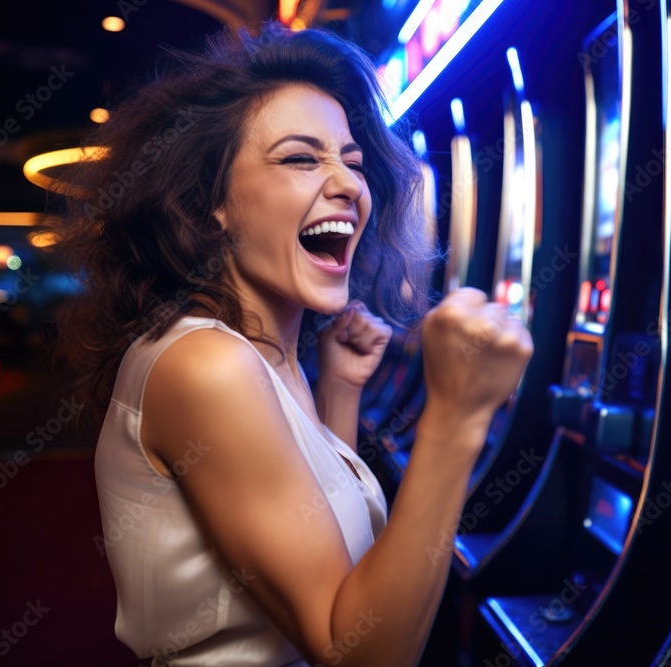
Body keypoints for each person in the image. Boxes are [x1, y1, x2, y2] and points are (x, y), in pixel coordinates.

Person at [55, 22, 532, 667]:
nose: (348, 184)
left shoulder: (263, 354)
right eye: (302, 158)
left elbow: (332, 557)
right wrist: (456, 416)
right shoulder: (206, 366)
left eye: (353, 161)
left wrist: (338, 389)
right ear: (208, 206)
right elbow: (355, 652)